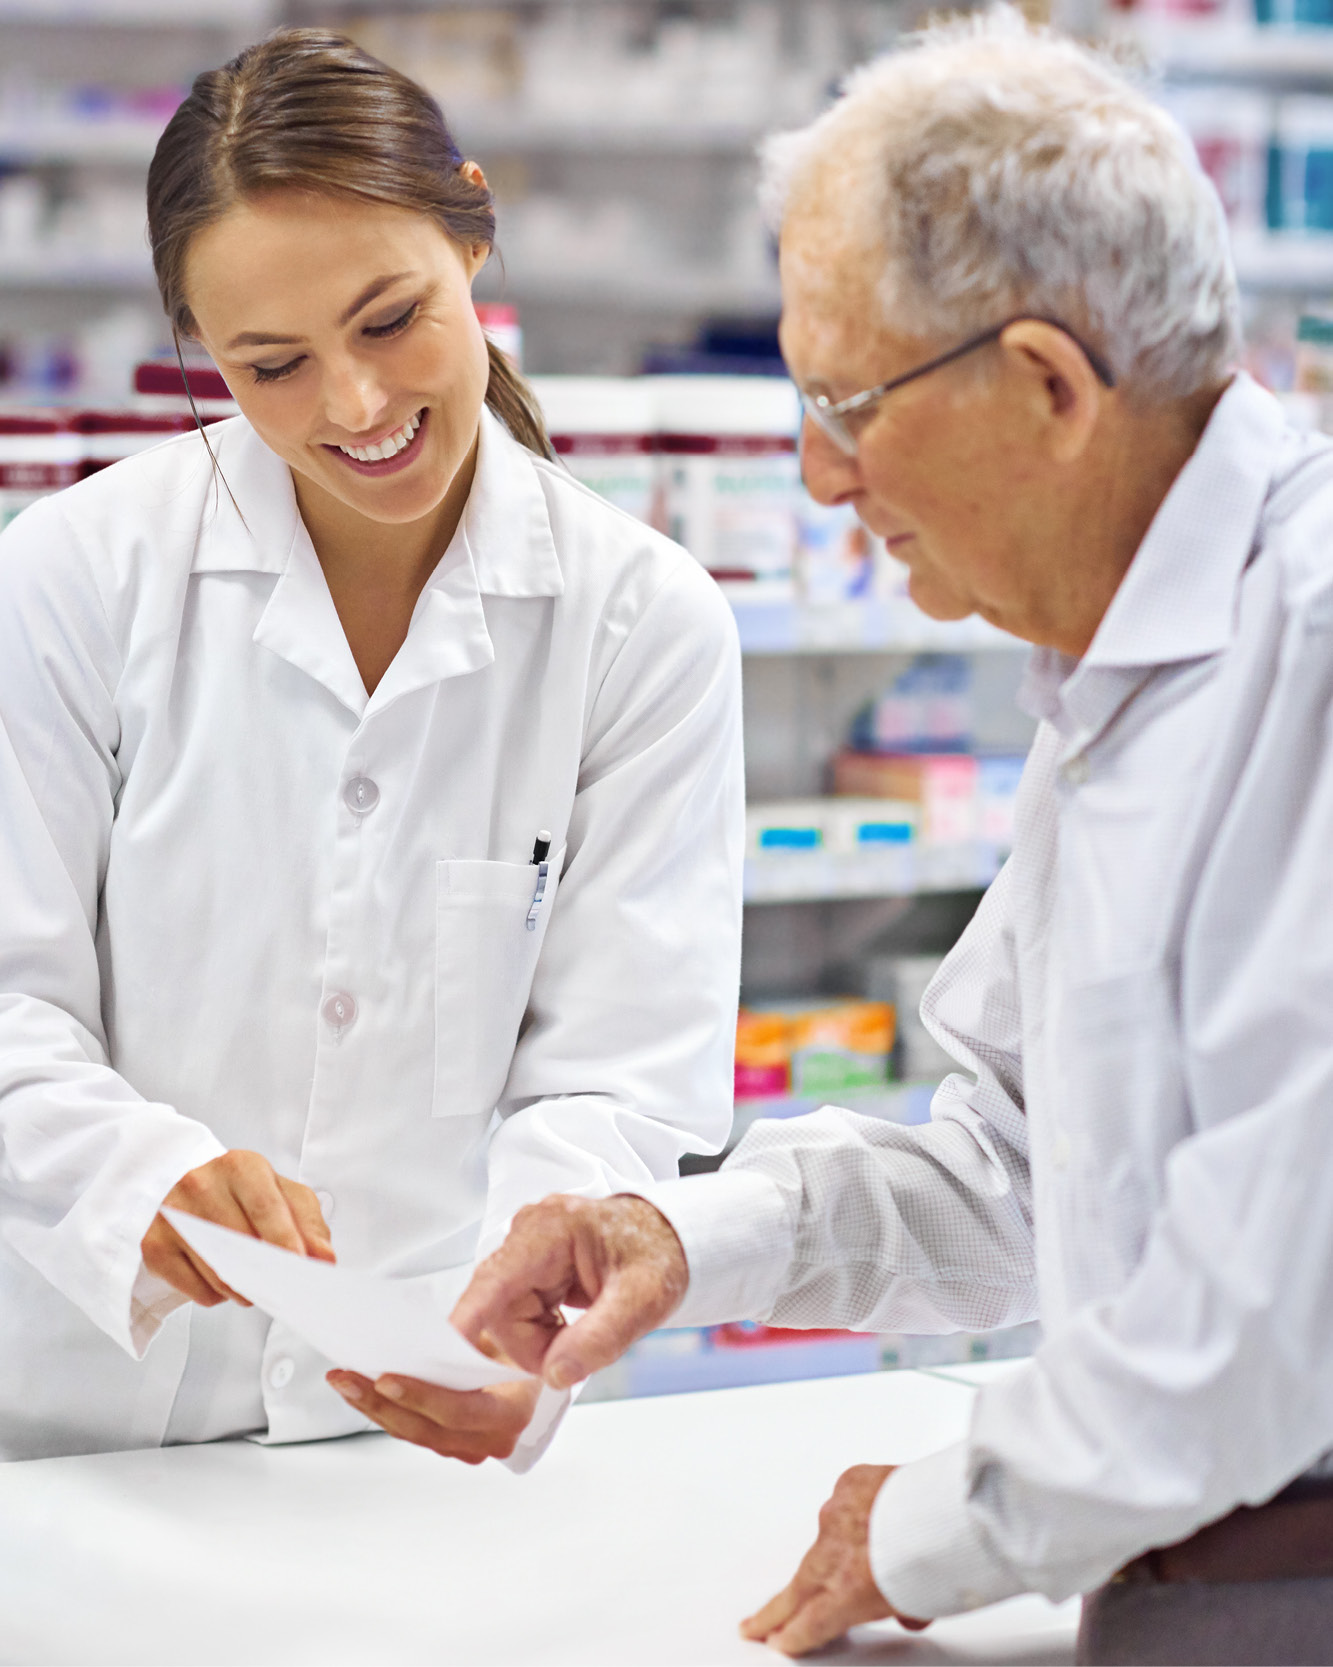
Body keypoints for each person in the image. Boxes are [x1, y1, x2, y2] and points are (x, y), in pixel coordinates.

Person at [362, 10, 1333, 1660]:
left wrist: (934, 1525)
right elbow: (1018, 1169)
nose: (817, 478)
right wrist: (684, 1237)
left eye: (848, 402)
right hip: (1183, 1551)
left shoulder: (1304, 661)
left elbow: (1261, 1315)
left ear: (1044, 384)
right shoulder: (1116, 670)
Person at [0, 27, 742, 1469]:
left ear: (470, 224)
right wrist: (138, 1178)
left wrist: (522, 1309)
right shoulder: (72, 576)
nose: (351, 407)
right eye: (267, 365)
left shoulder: (639, 626)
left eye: (391, 319)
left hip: (404, 1425)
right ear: (198, 347)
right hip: (62, 1422)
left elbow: (616, 1075)